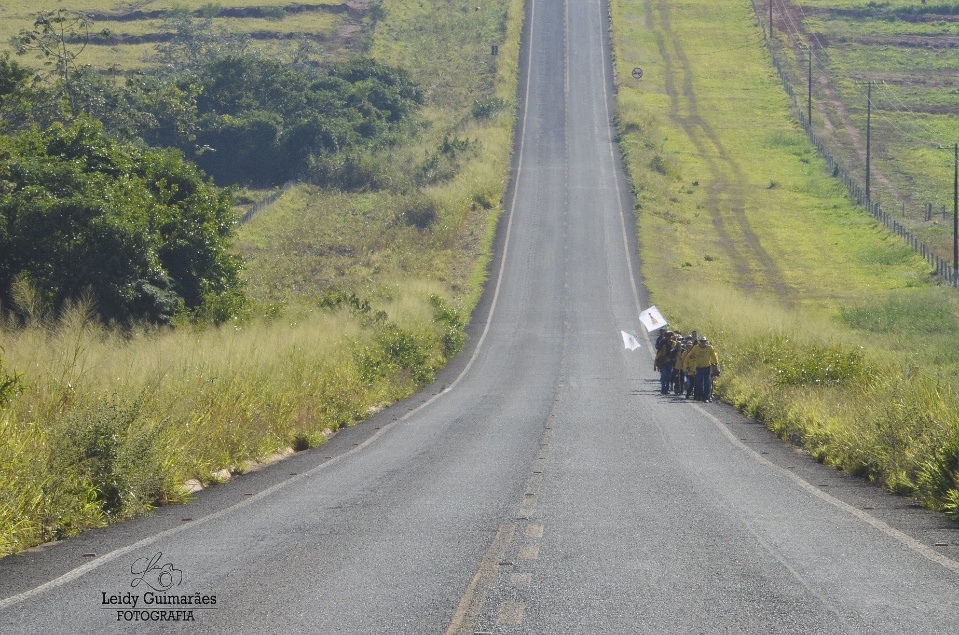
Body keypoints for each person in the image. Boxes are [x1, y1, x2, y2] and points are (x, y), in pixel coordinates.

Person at [686, 335, 719, 402]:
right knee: (699, 383)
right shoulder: (695, 348)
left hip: (707, 368)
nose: (702, 343)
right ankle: (699, 396)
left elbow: (714, 357)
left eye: (704, 341)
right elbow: (689, 356)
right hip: (699, 368)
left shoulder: (709, 348)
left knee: (707, 383)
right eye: (701, 341)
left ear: (706, 342)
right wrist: (687, 365)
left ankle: (706, 397)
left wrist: (715, 365)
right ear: (699, 342)